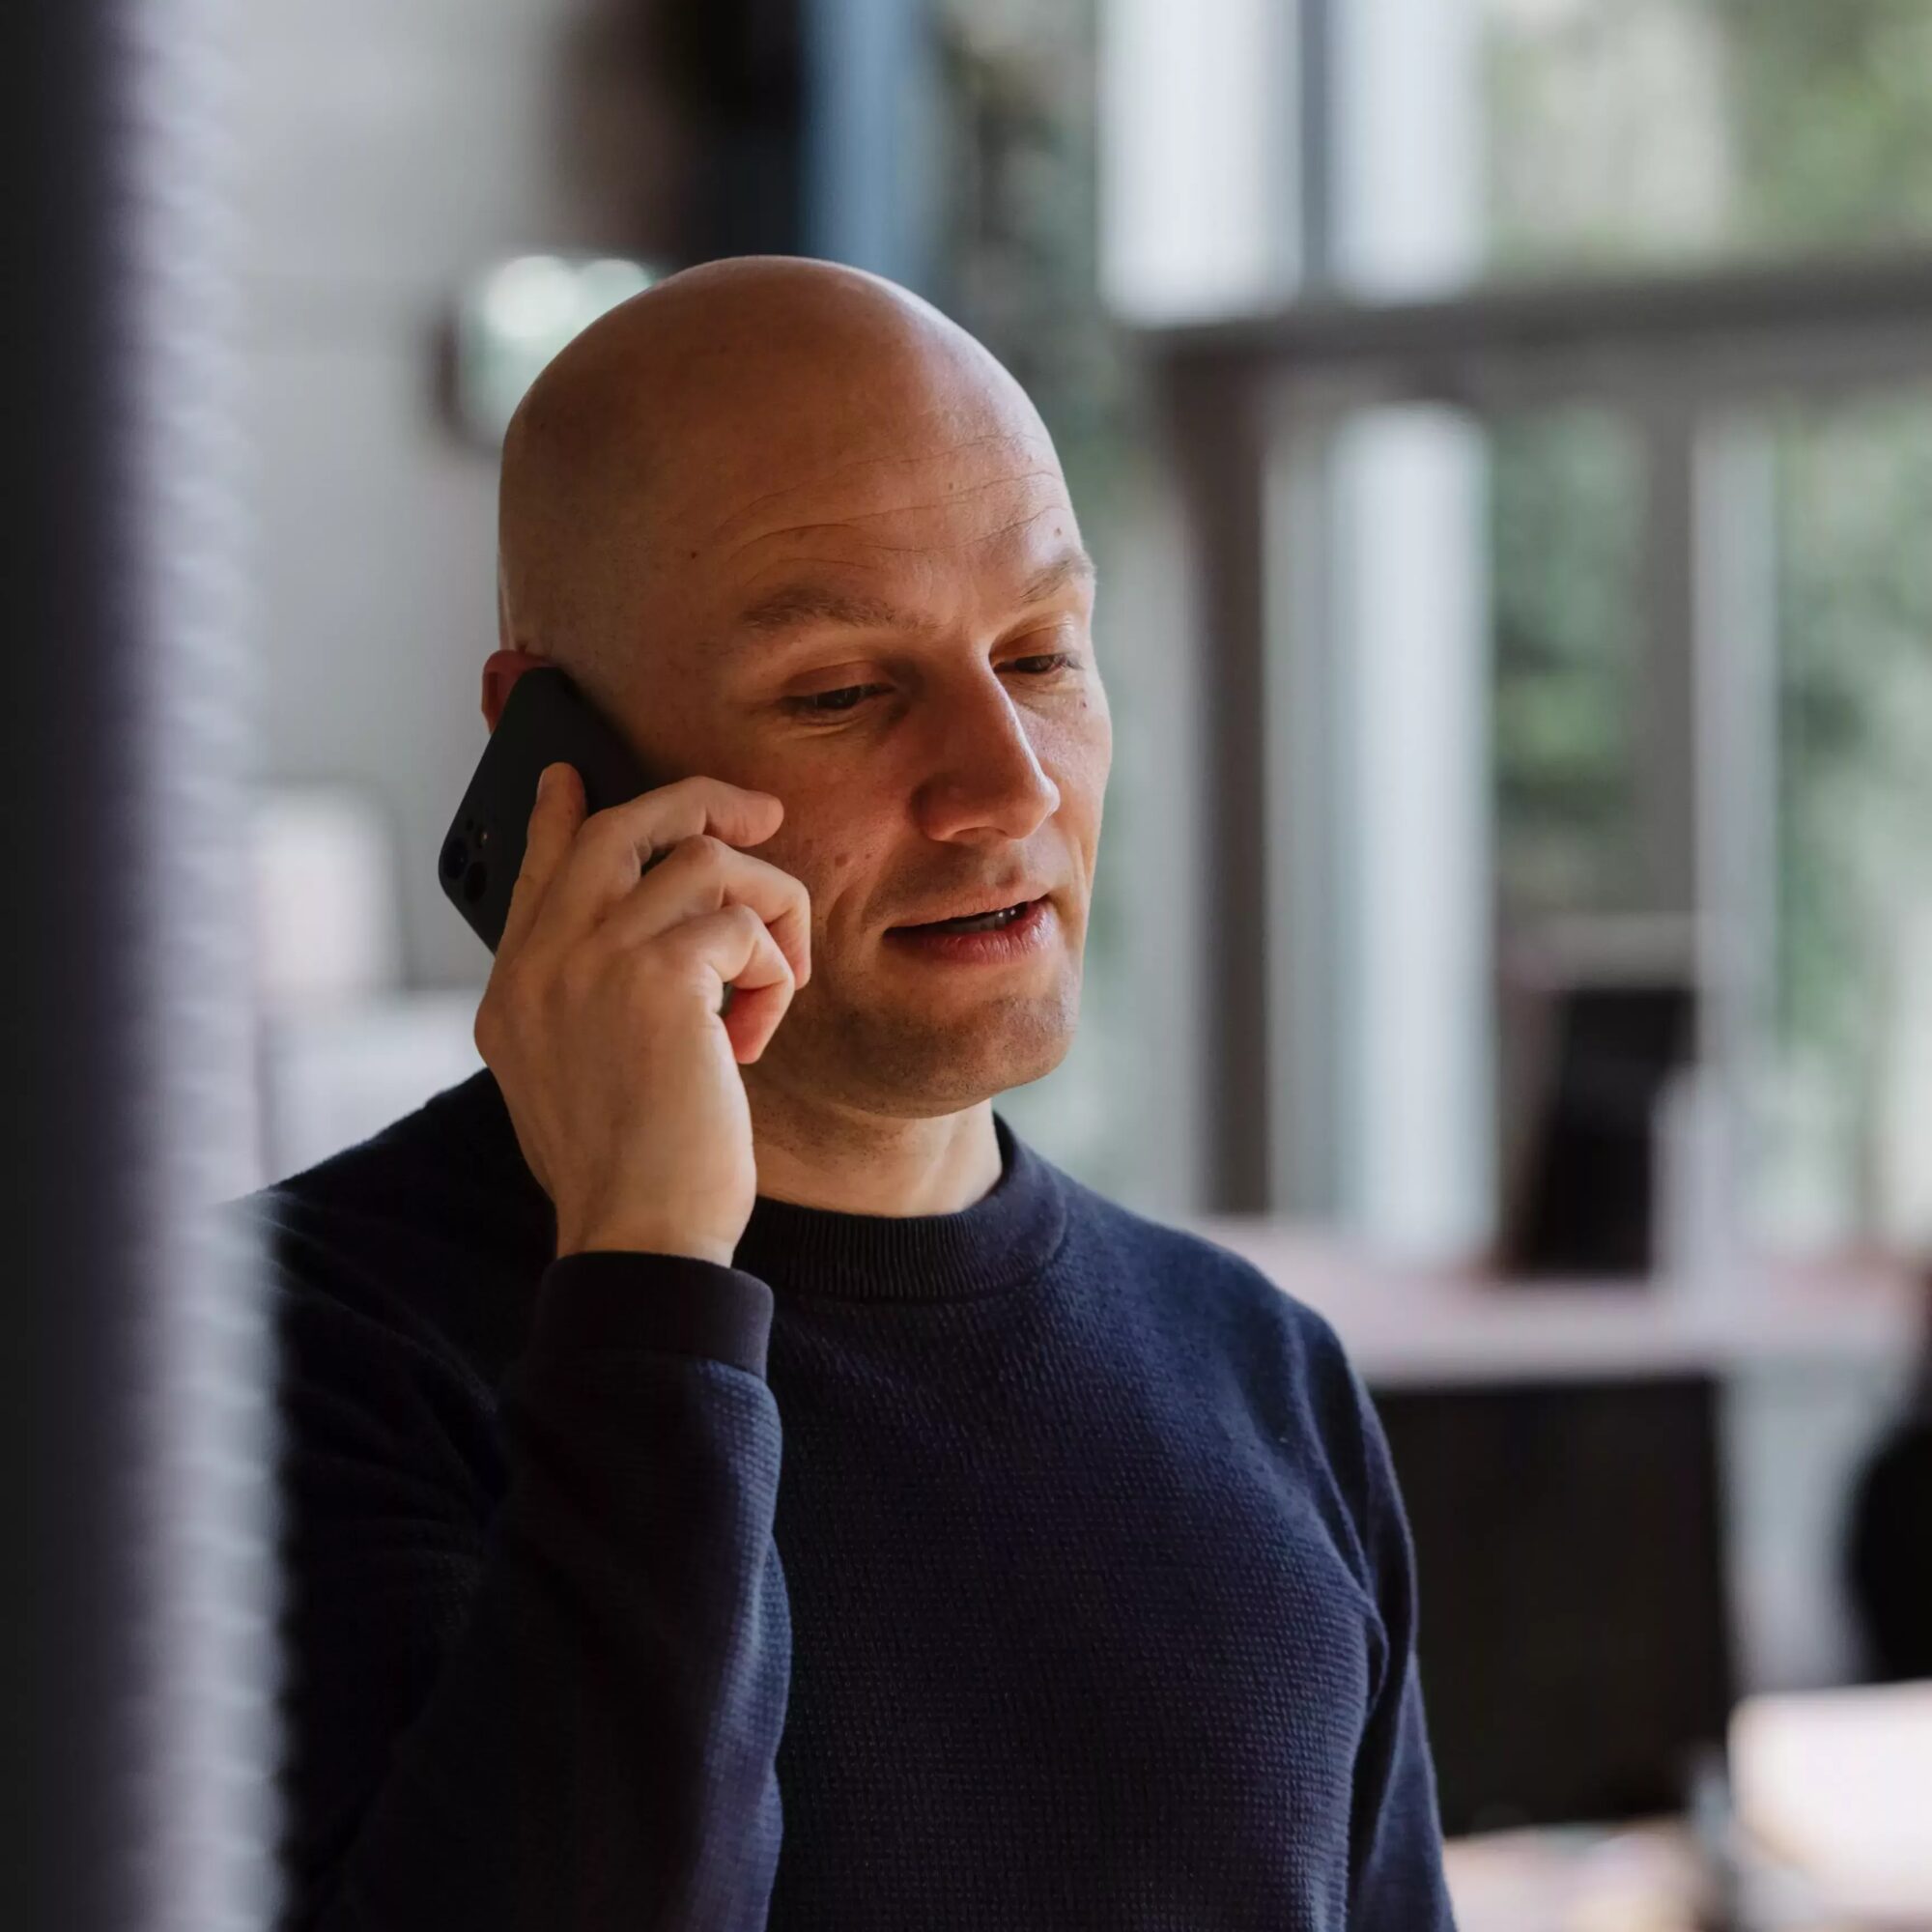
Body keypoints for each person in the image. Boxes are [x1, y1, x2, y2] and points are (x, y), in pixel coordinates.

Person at [227, 255, 1457, 1930]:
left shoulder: (1264, 1378)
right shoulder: (257, 1357)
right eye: (846, 692)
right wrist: (650, 1274)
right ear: (561, 759)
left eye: (1040, 656)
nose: (1005, 786)